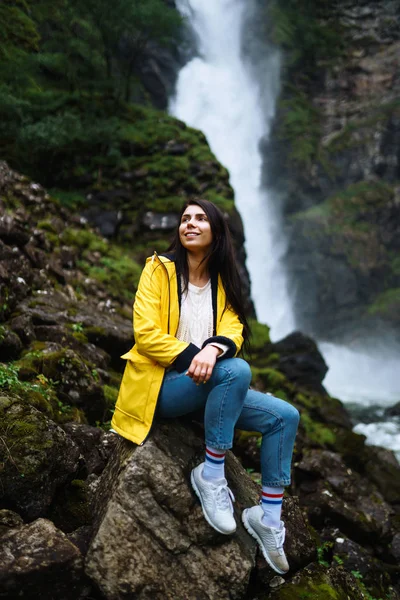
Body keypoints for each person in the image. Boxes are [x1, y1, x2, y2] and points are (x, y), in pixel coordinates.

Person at [111, 198, 300, 575]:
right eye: (185, 219)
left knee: (285, 416)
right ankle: (211, 475)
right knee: (237, 371)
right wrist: (194, 356)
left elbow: (233, 329)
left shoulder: (220, 282)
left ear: (215, 230)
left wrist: (213, 349)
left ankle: (268, 518)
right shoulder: (159, 270)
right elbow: (146, 335)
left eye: (200, 218)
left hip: (209, 387)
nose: (190, 224)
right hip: (162, 388)